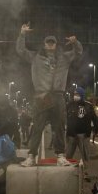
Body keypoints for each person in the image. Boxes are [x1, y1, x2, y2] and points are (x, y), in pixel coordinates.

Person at [16, 22, 83, 167]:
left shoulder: (64, 57)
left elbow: (78, 52)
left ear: (56, 44)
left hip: (58, 95)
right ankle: (31, 156)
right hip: (42, 96)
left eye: (53, 42)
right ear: (44, 44)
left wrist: (75, 42)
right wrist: (22, 34)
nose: (50, 44)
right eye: (48, 42)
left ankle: (60, 156)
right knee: (37, 127)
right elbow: (20, 50)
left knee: (59, 126)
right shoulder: (35, 57)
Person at [66, 87, 98, 173]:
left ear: (81, 95)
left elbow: (95, 118)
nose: (75, 96)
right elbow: (64, 117)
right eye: (74, 94)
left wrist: (97, 129)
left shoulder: (88, 106)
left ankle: (85, 172)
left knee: (85, 155)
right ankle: (67, 171)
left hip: (83, 135)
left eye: (77, 94)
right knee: (68, 155)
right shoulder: (69, 105)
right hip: (71, 134)